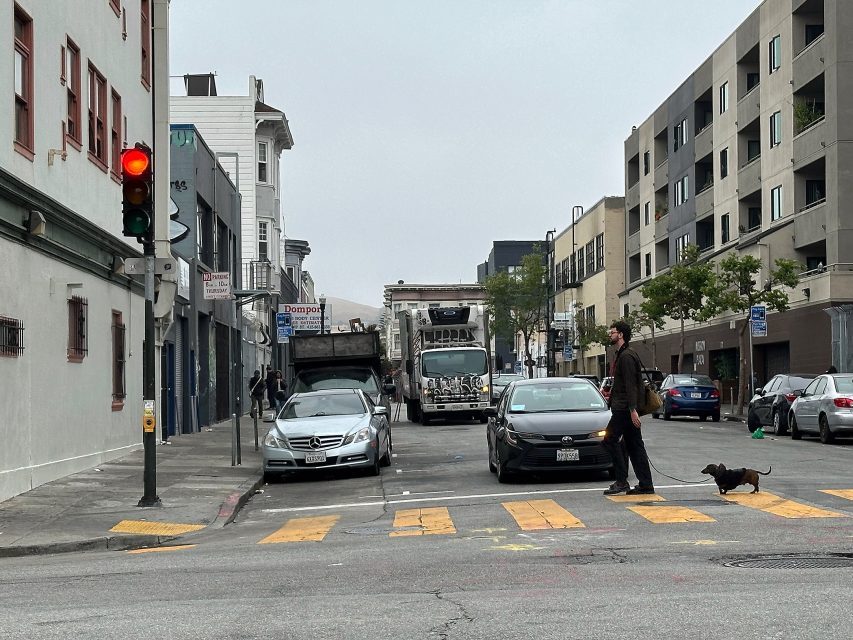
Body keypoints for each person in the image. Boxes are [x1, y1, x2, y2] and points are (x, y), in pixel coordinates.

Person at [602, 320, 655, 496]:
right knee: (634, 445)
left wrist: (633, 410)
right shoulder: (625, 354)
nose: (610, 335)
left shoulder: (626, 356)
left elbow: (631, 385)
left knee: (609, 439)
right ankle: (646, 484)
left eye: (613, 332)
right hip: (625, 407)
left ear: (621, 335)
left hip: (624, 409)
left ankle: (621, 481)